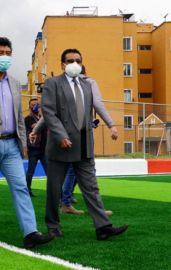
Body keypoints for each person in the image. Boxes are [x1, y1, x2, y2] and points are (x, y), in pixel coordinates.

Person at [0, 37, 54, 249]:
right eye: (0, 52)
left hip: (12, 145)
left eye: (8, 52)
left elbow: (18, 116)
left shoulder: (14, 83)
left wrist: (22, 141)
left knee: (21, 188)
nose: (5, 56)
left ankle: (31, 233)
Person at [41, 48, 128, 240]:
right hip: (61, 144)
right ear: (62, 64)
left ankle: (103, 227)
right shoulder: (52, 83)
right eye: (70, 60)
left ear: (82, 63)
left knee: (91, 187)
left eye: (78, 61)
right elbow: (48, 112)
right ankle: (53, 226)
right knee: (54, 189)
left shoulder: (87, 85)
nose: (74, 64)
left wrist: (110, 125)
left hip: (84, 144)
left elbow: (92, 111)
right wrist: (60, 135)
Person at [31, 65, 118, 215]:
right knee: (87, 175)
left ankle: (66, 205)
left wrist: (35, 130)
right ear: (86, 72)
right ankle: (92, 209)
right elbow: (98, 104)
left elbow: (48, 113)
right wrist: (112, 125)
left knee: (73, 172)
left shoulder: (61, 84)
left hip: (66, 136)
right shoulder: (89, 82)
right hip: (81, 137)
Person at [25, 98, 48, 197]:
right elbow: (36, 126)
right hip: (34, 149)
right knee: (30, 171)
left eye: (37, 104)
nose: (35, 107)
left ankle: (53, 191)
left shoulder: (42, 117)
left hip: (44, 149)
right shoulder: (28, 118)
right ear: (29, 107)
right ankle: (27, 190)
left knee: (49, 171)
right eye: (33, 105)